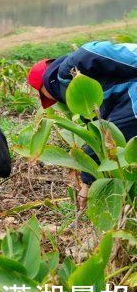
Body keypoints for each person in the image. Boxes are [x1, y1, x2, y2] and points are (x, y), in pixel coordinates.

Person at [28, 41, 137, 207]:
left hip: (132, 101)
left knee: (115, 136)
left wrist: (87, 182)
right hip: (127, 98)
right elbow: (99, 129)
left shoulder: (67, 71)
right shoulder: (78, 95)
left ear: (43, 84)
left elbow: (95, 50)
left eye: (40, 94)